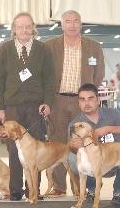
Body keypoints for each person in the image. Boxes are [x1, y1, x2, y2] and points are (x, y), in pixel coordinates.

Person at [0, 12, 54, 201]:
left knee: (35, 150)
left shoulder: (43, 49)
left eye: (28, 26)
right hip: (12, 107)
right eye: (20, 26)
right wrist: (0, 107)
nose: (24, 30)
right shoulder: (5, 49)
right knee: (13, 149)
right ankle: (16, 190)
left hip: (36, 108)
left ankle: (33, 191)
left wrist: (47, 102)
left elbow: (50, 79)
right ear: (13, 29)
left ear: (33, 28)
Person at [44, 10, 105, 197]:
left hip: (82, 103)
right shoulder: (49, 46)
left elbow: (99, 73)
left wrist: (88, 98)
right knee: (57, 143)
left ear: (81, 24)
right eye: (68, 21)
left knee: (83, 143)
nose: (72, 25)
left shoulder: (93, 47)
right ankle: (59, 187)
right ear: (61, 25)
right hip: (57, 101)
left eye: (76, 21)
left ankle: (81, 188)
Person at [68, 83, 120, 206]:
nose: (86, 103)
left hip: (115, 161)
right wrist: (73, 145)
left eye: (90, 99)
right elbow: (71, 147)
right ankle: (92, 188)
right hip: (94, 165)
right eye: (82, 100)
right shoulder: (75, 123)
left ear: (98, 100)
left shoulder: (112, 114)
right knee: (71, 159)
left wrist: (109, 129)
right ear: (79, 102)